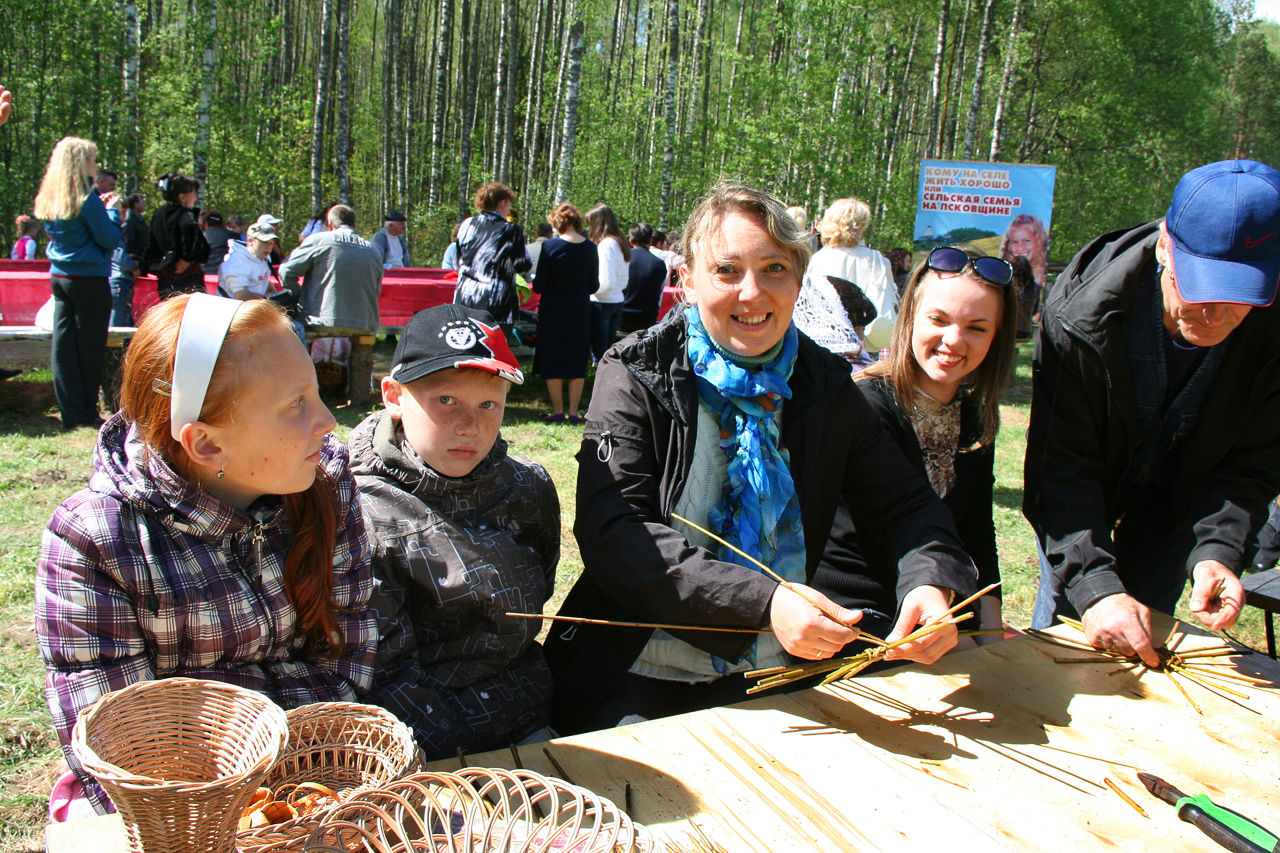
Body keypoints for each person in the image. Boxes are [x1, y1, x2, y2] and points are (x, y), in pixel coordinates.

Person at [544, 183, 977, 735]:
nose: (752, 293)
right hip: (638, 666)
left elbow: (905, 503)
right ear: (688, 280)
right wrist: (763, 604)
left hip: (778, 670)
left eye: (774, 269)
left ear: (799, 280)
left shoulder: (824, 383)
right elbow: (614, 532)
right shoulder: (636, 371)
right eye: (727, 271)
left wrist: (928, 581)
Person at [35, 294, 376, 814]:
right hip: (174, 811)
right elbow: (117, 744)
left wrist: (203, 712)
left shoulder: (325, 485)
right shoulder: (96, 540)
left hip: (320, 782)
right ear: (206, 444)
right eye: (296, 404)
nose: (328, 421)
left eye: (316, 392)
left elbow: (349, 657)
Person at [1024, 159, 1280, 667]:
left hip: (1180, 504)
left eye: (1240, 296)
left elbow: (1251, 463)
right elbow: (1061, 469)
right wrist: (1095, 588)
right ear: (1166, 245)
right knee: (1066, 640)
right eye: (1200, 287)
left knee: (1146, 635)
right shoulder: (1079, 312)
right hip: (1086, 495)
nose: (1216, 314)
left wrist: (1218, 550)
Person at [352, 304, 560, 759]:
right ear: (394, 396)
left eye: (488, 405)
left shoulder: (529, 487)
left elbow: (540, 588)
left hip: (530, 714)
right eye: (446, 400)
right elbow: (382, 672)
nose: (469, 426)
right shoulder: (359, 512)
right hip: (420, 745)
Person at [847, 247, 1017, 647]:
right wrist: (958, 635)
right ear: (909, 317)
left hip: (944, 608)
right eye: (938, 320)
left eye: (977, 328)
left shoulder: (973, 415)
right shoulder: (867, 405)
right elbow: (888, 534)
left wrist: (990, 629)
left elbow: (977, 529)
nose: (954, 340)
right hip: (864, 616)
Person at [34, 137, 120, 430]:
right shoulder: (87, 199)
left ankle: (70, 412)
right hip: (89, 279)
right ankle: (86, 412)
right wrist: (112, 212)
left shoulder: (50, 198)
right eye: (93, 160)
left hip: (60, 277)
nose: (95, 166)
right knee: (89, 348)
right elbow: (109, 238)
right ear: (82, 163)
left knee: (63, 347)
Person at [531, 202, 598, 423]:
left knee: (553, 355)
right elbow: (594, 285)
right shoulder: (590, 248)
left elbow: (539, 284)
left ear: (557, 224)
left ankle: (557, 410)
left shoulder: (550, 246)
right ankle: (574, 411)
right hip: (579, 307)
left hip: (553, 307)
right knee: (576, 356)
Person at [808, 197, 896, 355]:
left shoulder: (818, 259)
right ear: (863, 224)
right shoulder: (877, 260)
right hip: (865, 345)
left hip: (825, 344)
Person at [279, 204, 383, 332]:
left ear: (329, 225)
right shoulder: (373, 250)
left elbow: (286, 270)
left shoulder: (319, 241)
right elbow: (376, 289)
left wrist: (297, 296)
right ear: (355, 225)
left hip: (320, 320)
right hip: (365, 323)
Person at [454, 184, 531, 323]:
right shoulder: (511, 229)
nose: (509, 209)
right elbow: (522, 265)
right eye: (509, 204)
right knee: (498, 337)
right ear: (503, 203)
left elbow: (457, 262)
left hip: (465, 297)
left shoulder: (466, 224)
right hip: (496, 300)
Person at [145, 173, 210, 297]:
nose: (195, 198)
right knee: (192, 308)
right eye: (193, 194)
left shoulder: (158, 214)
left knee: (170, 308)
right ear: (182, 197)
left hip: (164, 275)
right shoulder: (184, 213)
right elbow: (189, 231)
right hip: (186, 277)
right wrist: (187, 257)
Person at [585, 203, 631, 362]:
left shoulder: (605, 245)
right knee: (608, 353)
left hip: (602, 302)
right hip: (616, 300)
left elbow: (606, 281)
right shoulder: (620, 242)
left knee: (600, 354)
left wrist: (589, 290)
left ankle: (600, 377)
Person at [107, 193, 149, 327]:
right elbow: (121, 260)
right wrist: (135, 264)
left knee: (125, 323)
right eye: (122, 212)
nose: (125, 216)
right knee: (117, 325)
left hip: (115, 279)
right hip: (119, 280)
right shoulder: (114, 232)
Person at [619, 221, 669, 334]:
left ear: (631, 241)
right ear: (651, 241)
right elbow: (659, 295)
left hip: (622, 318)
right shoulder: (659, 264)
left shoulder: (623, 259)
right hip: (647, 319)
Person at [219, 221, 279, 300]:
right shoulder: (237, 261)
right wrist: (268, 300)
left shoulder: (263, 257)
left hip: (254, 303)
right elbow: (240, 294)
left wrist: (268, 284)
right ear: (250, 241)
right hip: (233, 305)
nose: (268, 247)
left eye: (271, 243)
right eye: (264, 242)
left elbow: (258, 277)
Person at [999, 213, 1049, 291]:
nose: (1020, 247)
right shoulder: (1003, 272)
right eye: (1015, 242)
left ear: (1039, 240)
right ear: (1008, 245)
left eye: (1027, 240)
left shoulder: (1043, 273)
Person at [199, 210, 240, 275]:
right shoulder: (234, 236)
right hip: (226, 275)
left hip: (203, 274)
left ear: (206, 224)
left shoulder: (199, 236)